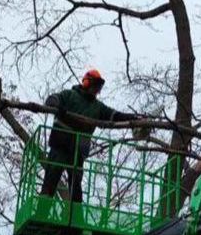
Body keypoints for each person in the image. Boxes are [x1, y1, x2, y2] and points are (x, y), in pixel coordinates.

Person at [39, 69, 140, 205]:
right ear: (87, 83)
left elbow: (115, 116)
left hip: (78, 150)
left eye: (98, 88)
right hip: (60, 145)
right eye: (95, 86)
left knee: (76, 187)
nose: (96, 90)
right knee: (51, 179)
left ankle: (75, 218)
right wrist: (56, 106)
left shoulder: (97, 107)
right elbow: (52, 99)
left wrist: (133, 118)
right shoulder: (69, 95)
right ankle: (42, 210)